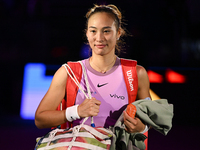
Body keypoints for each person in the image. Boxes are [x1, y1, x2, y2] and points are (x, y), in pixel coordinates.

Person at [35, 4, 151, 134]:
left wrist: (142, 127)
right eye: (93, 31)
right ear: (87, 34)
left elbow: (148, 120)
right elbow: (40, 119)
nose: (99, 38)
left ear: (118, 33)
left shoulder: (136, 73)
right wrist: (76, 111)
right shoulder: (68, 72)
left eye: (106, 31)